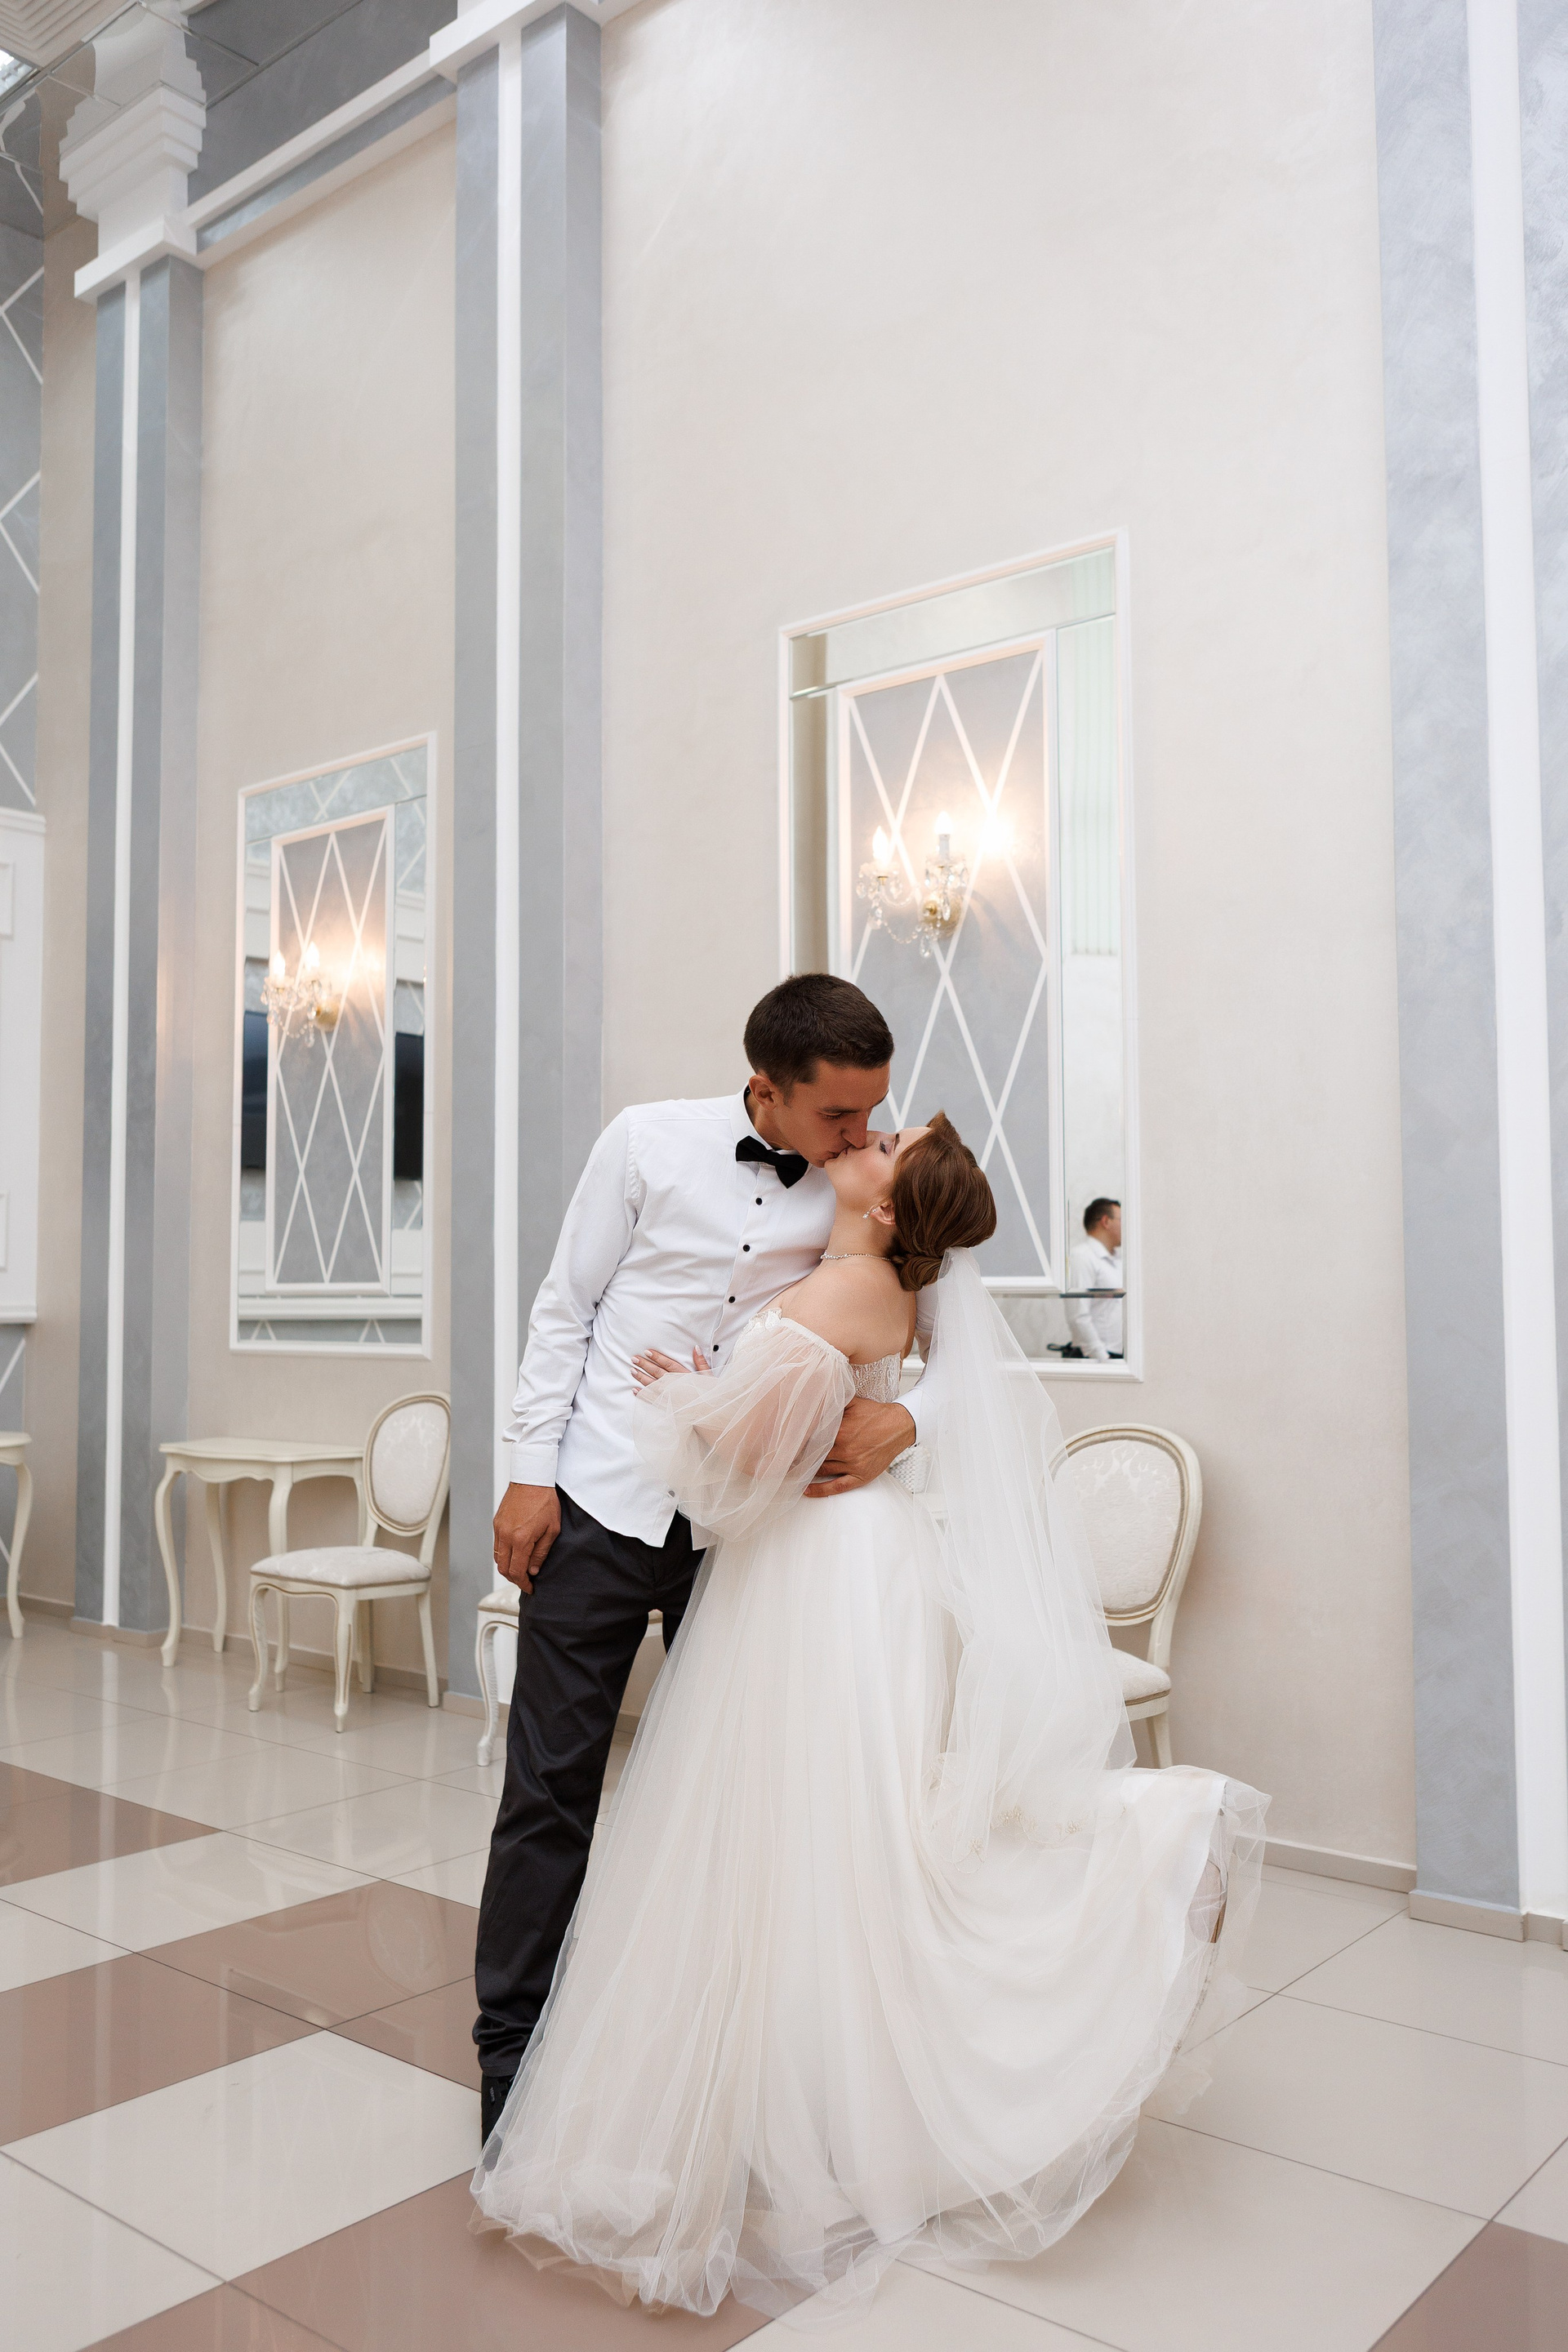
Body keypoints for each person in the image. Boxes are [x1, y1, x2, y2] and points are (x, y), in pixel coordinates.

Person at [472, 1115, 1266, 2323]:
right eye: (863, 1121)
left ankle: (846, 2075)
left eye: (885, 1138)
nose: (871, 1134)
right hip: (837, 1556)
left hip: (818, 1569)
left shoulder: (847, 1281)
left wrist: (683, 1399)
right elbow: (585, 1313)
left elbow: (766, 1453)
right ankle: (762, 2074)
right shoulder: (853, 1256)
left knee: (822, 1819)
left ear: (889, 1206)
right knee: (826, 1817)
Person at [473, 975, 931, 2136]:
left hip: (750, 1533)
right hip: (600, 1499)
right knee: (550, 1792)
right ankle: (510, 2066)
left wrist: (910, 1417)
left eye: (873, 1111)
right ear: (767, 1089)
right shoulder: (645, 1143)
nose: (861, 1134)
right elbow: (565, 1308)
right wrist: (529, 1472)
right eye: (838, 1114)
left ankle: (718, 2060)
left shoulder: (868, 1188)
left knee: (741, 1799)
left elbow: (945, 1337)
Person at [1065, 1196, 1123, 1361]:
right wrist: (1102, 1358)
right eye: (1122, 1220)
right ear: (1106, 1221)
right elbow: (1078, 1315)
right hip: (1099, 1357)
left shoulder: (1119, 1261)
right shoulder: (1082, 1257)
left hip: (1119, 1356)